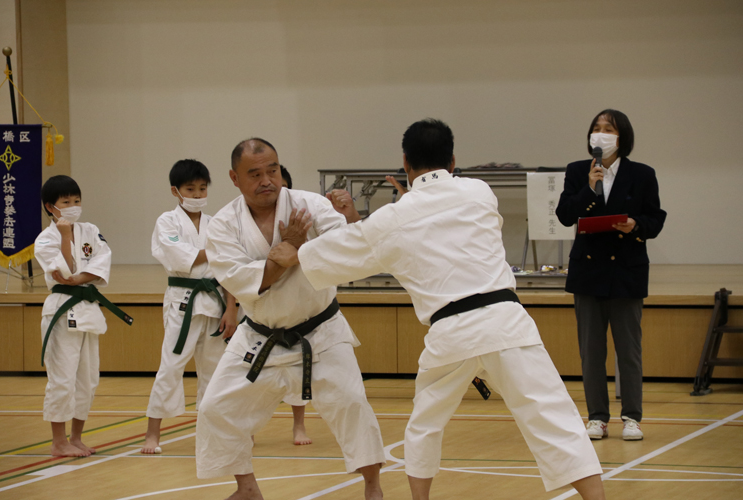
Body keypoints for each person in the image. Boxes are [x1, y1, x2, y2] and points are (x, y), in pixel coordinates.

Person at [270, 119, 606, 500]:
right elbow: (435, 225)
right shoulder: (479, 192)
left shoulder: (392, 218)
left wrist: (296, 253)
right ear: (453, 159)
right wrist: (410, 200)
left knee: (425, 424)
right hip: (506, 323)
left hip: (450, 334)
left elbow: (354, 250)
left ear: (404, 161)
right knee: (554, 418)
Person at [195, 138, 384, 500]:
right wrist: (282, 257)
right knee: (217, 407)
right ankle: (247, 489)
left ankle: (373, 487)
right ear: (235, 178)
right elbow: (248, 283)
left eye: (273, 170)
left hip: (321, 330)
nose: (267, 179)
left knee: (353, 405)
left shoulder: (309, 206)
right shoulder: (222, 226)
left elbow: (347, 253)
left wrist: (299, 248)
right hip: (260, 336)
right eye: (255, 174)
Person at [556, 109, 666, 441]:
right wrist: (589, 191)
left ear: (622, 137)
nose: (601, 134)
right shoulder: (579, 171)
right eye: (596, 128)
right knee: (591, 351)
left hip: (626, 272)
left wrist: (635, 226)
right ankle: (597, 417)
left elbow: (655, 219)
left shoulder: (642, 174)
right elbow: (564, 215)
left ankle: (631, 417)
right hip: (588, 272)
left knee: (628, 350)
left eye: (608, 129)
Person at [140, 160, 238, 454]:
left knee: (215, 370)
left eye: (202, 188)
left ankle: (215, 431)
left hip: (216, 301)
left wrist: (231, 308)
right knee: (170, 366)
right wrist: (217, 251)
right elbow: (185, 257)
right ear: (176, 191)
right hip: (183, 302)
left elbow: (230, 266)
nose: (197, 194)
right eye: (190, 189)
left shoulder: (216, 222)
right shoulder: (167, 222)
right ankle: (152, 434)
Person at [35, 175, 132, 457]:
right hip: (61, 310)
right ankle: (58, 441)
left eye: (76, 201)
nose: (74, 206)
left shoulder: (90, 230)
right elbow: (62, 274)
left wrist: (77, 279)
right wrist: (65, 239)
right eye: (66, 202)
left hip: (88, 310)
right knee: (62, 378)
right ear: (50, 207)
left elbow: (102, 262)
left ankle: (76, 437)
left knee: (87, 378)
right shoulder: (46, 239)